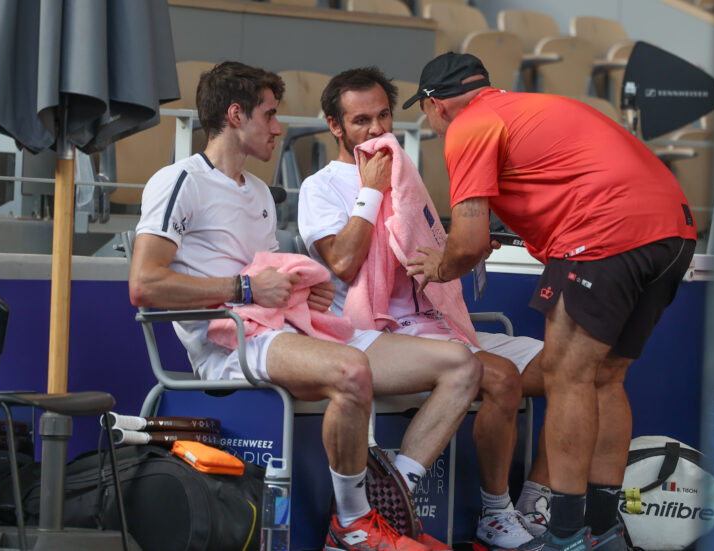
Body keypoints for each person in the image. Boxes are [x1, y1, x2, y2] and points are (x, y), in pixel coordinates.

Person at [128, 61, 482, 551]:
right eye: (269, 115)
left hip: (287, 330)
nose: (278, 127)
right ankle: (353, 525)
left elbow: (268, 278)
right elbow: (145, 285)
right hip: (228, 345)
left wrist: (301, 288)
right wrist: (245, 292)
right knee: (352, 371)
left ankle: (392, 494)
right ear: (236, 115)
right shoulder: (178, 181)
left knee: (462, 365)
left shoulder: (260, 194)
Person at [403, 53, 697, 551]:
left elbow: (468, 242)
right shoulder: (532, 106)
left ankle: (564, 533)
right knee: (606, 378)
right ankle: (604, 529)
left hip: (605, 234)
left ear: (435, 106)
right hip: (675, 232)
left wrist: (440, 266)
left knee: (567, 376)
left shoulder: (467, 126)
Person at [296, 66, 550, 550]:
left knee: (569, 370)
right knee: (498, 376)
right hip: (376, 332)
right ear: (334, 126)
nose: (376, 131)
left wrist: (461, 250)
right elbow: (345, 264)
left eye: (384, 116)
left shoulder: (406, 172)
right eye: (360, 121)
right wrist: (370, 190)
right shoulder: (321, 186)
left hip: (438, 323)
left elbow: (424, 259)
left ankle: (537, 504)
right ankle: (495, 515)